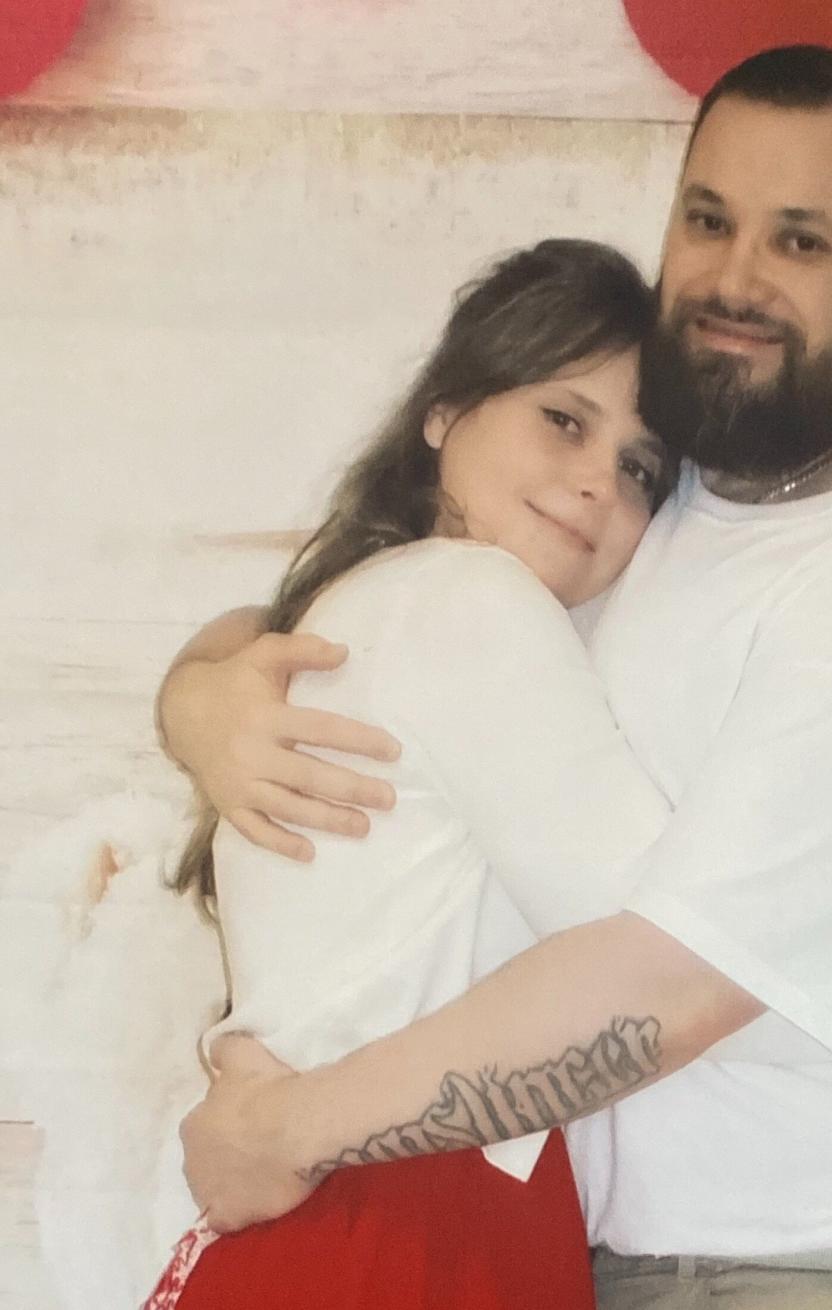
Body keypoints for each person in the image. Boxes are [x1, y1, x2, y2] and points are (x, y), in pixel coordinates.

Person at [162, 46, 832, 1310]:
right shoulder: (653, 498)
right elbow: (360, 645)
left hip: (803, 1268)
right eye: (709, 219)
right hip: (503, 1233)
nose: (738, 276)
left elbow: (663, 975)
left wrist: (291, 1125)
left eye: (802, 241)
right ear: (447, 408)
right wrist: (199, 694)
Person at [142, 236, 678, 1309]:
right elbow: (668, 937)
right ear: (445, 411)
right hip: (413, 1226)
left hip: (334, 1219)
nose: (595, 481)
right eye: (564, 419)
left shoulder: (357, 608)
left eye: (640, 466)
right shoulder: (470, 600)